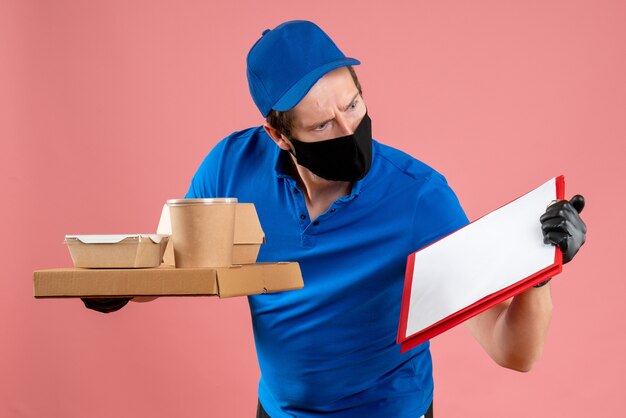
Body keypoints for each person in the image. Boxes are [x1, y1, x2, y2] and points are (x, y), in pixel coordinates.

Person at [84, 20, 587, 418]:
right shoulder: (231, 167)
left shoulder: (420, 199)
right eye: (324, 124)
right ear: (279, 135)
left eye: (353, 104)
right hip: (278, 411)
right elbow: (173, 261)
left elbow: (511, 350)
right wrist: (120, 283)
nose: (350, 128)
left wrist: (538, 271)